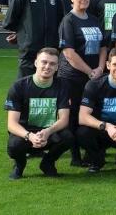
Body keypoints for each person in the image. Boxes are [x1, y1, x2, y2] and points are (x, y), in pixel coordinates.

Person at [57, 0, 108, 166]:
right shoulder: (68, 20)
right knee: (74, 114)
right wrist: (89, 71)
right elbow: (69, 53)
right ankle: (75, 155)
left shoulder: (94, 19)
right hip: (73, 77)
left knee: (93, 112)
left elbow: (103, 46)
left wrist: (100, 68)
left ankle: (91, 151)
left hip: (94, 75)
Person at [4, 48, 73, 179]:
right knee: (14, 146)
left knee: (68, 137)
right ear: (36, 63)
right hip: (26, 133)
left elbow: (64, 119)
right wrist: (29, 136)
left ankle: (47, 163)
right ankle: (19, 165)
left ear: (57, 67)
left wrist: (48, 132)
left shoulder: (62, 85)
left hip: (49, 132)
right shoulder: (19, 86)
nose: (48, 66)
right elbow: (11, 124)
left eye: (52, 64)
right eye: (44, 62)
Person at [3, 0, 64, 78]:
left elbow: (60, 22)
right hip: (29, 54)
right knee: (24, 88)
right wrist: (22, 35)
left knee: (49, 89)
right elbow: (9, 20)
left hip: (50, 53)